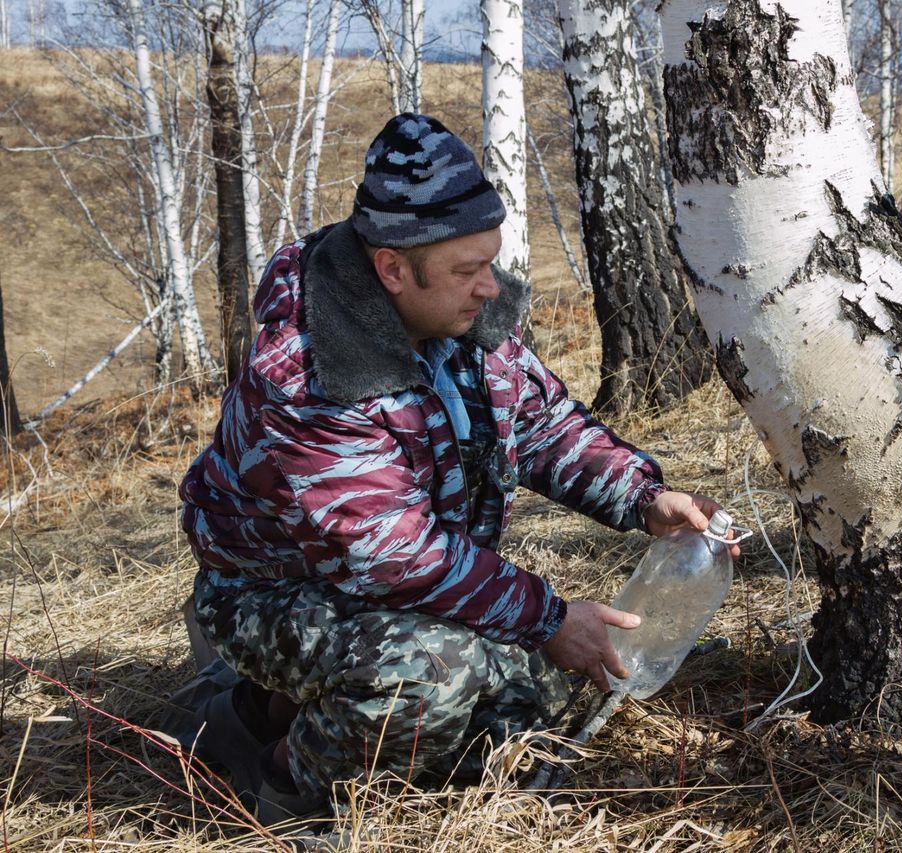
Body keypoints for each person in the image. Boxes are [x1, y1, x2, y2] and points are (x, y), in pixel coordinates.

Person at [177, 113, 730, 822]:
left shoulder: (464, 321)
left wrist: (646, 495)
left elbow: (540, 425)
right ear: (393, 269)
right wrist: (547, 617)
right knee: (432, 674)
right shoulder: (307, 374)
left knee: (531, 701)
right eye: (467, 271)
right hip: (269, 592)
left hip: (394, 581)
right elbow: (394, 557)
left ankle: (257, 711)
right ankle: (282, 784)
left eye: (490, 262)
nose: (490, 288)